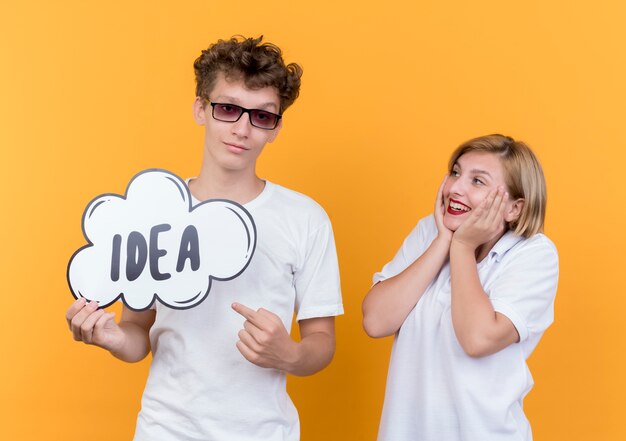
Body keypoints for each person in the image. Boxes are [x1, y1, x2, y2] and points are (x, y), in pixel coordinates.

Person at [66, 36, 343, 441]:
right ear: (201, 109)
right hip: (166, 430)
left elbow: (321, 341)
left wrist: (291, 354)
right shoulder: (153, 210)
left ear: (276, 128)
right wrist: (109, 338)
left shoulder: (305, 218)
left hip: (266, 432)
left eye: (262, 116)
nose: (242, 129)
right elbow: (137, 333)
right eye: (228, 108)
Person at [362, 134, 558, 441]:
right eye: (455, 172)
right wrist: (443, 241)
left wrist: (463, 247)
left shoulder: (534, 254)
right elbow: (375, 321)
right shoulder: (429, 231)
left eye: (477, 181)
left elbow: (478, 339)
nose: (455, 188)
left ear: (514, 209)